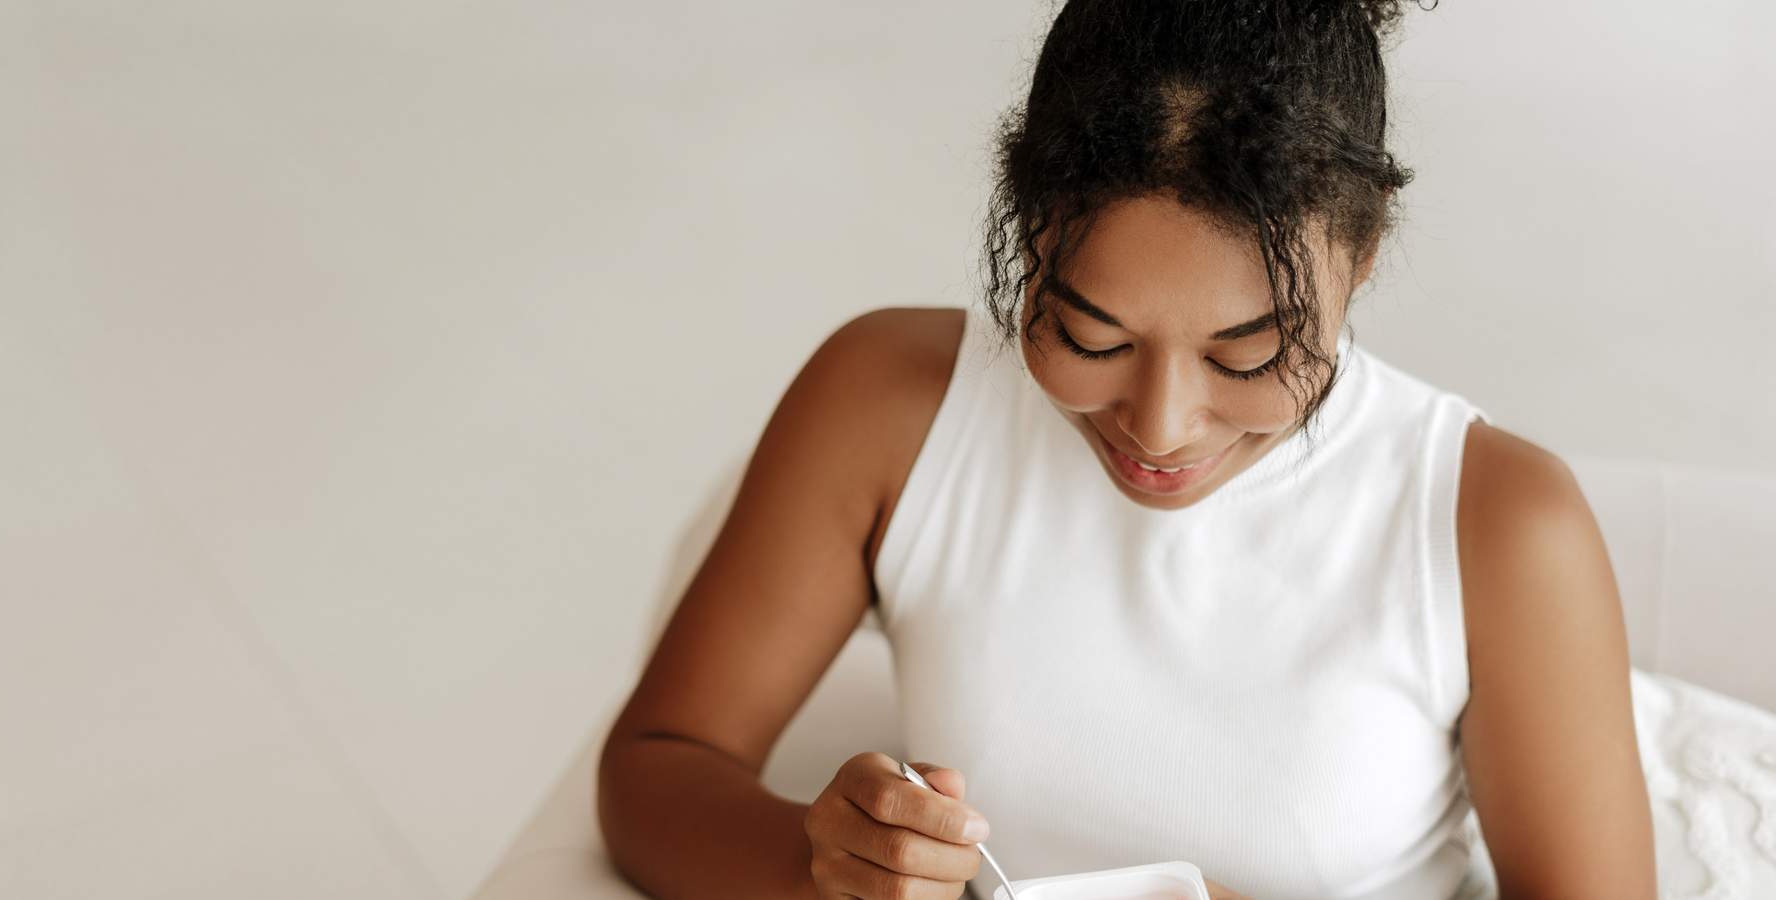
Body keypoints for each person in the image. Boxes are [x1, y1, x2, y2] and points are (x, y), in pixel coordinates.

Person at [597, 0, 1657, 897]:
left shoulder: (1498, 524)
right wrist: (823, 863)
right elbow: (653, 772)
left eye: (1248, 357)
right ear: (1032, 233)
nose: (1158, 427)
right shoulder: (891, 406)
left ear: (1365, 256)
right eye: (1091, 336)